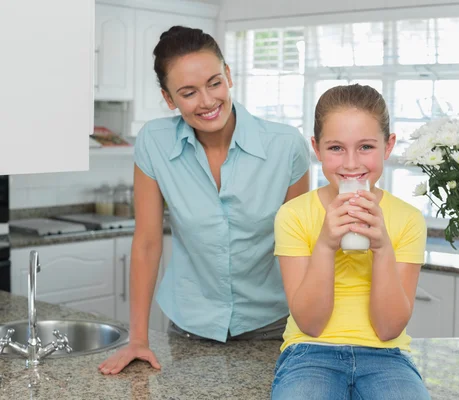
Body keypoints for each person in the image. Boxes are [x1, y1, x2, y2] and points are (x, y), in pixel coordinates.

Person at [99, 26, 310, 375]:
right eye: (188, 92)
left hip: (275, 329)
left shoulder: (286, 147)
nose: (208, 101)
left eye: (214, 82)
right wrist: (138, 338)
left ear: (228, 75)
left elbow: (301, 247)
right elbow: (148, 242)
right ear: (169, 99)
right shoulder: (154, 143)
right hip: (188, 329)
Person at [271, 84, 430, 399]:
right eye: (336, 148)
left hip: (386, 355)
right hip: (309, 352)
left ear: (388, 146)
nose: (352, 164)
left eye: (366, 147)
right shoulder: (293, 215)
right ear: (317, 149)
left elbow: (388, 329)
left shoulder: (408, 219)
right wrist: (326, 245)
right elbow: (311, 324)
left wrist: (383, 248)